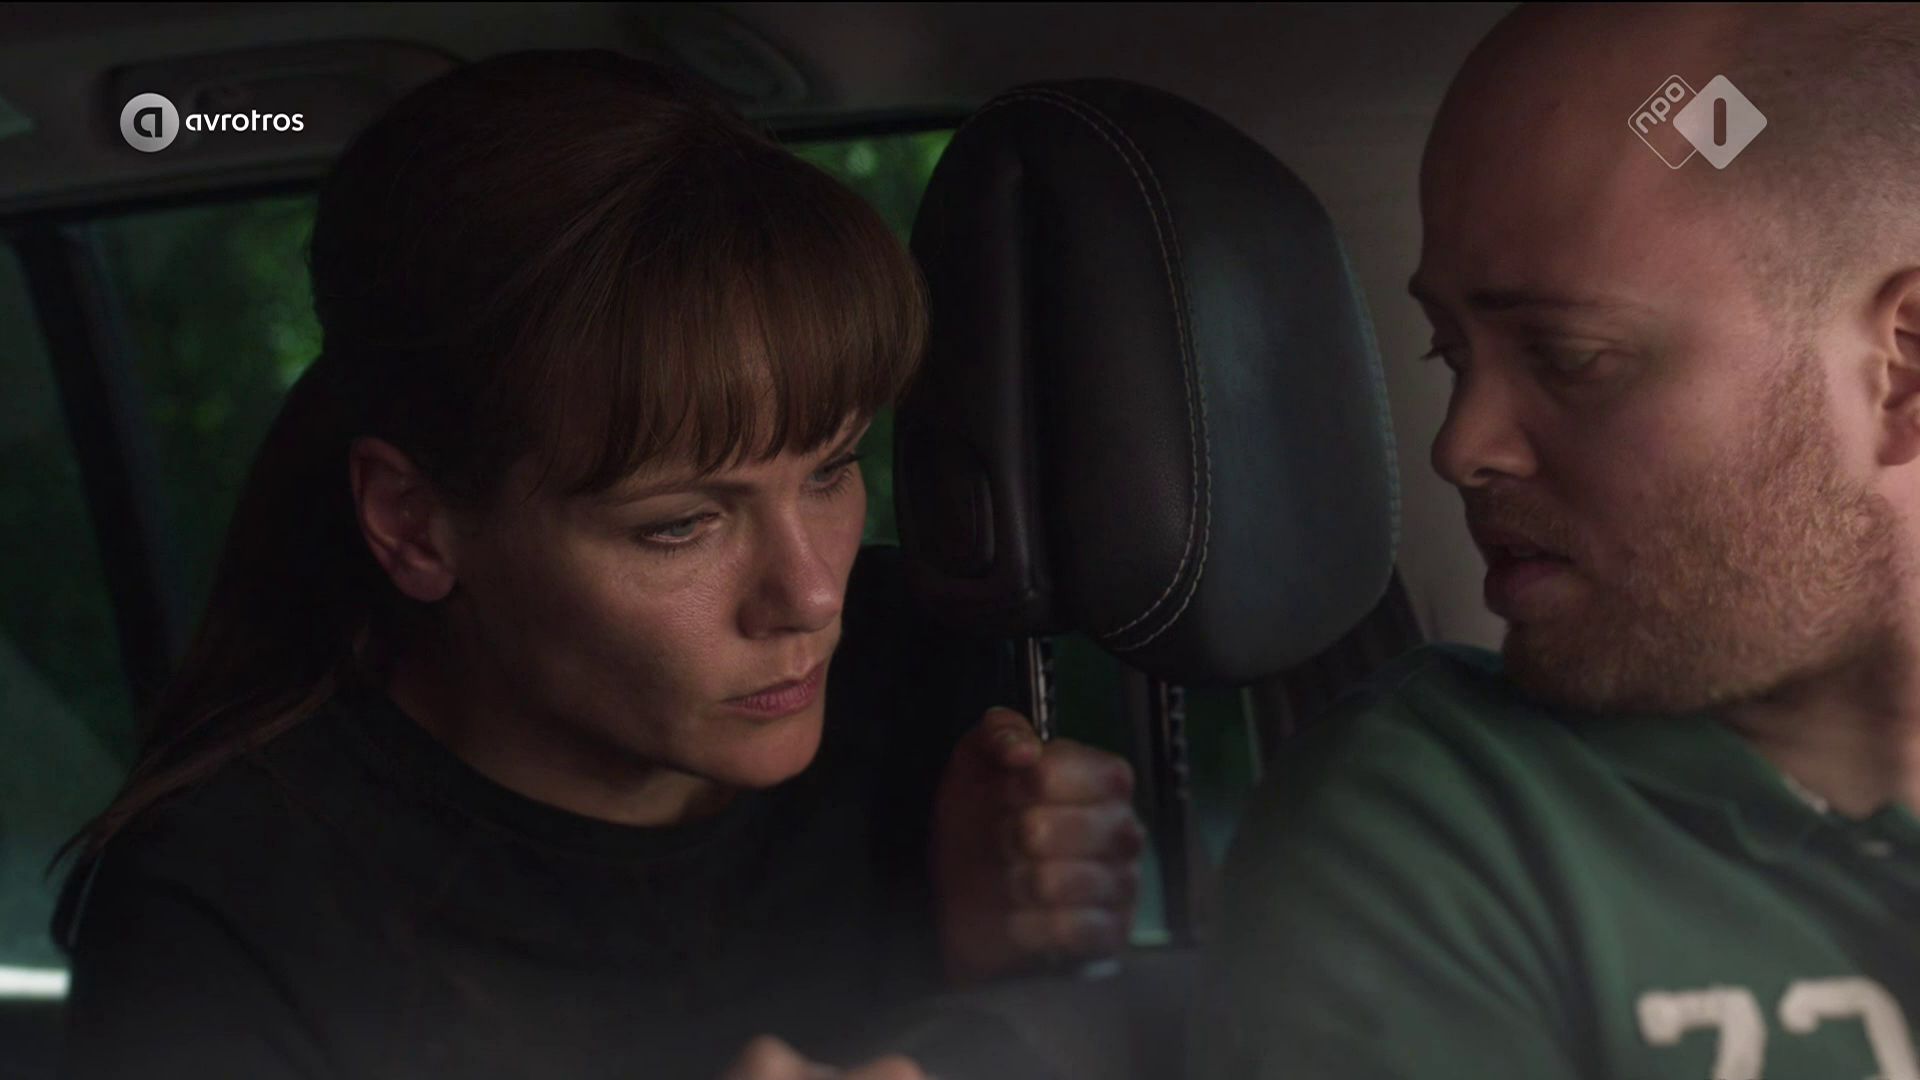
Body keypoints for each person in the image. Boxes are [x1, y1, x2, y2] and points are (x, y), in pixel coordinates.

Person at [54, 50, 1144, 1080]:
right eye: (680, 525)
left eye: (832, 469)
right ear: (414, 526)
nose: (812, 595)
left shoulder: (928, 693)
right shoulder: (222, 918)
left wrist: (993, 987)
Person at [1196, 5, 1920, 1079]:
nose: (1461, 447)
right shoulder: (1445, 829)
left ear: (1900, 373)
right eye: (1450, 353)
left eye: (1571, 356)